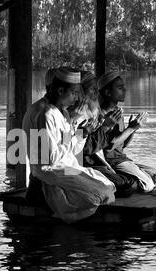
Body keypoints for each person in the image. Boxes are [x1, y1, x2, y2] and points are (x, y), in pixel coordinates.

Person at [22, 67, 116, 223]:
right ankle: (48, 198)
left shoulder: (62, 112)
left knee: (109, 186)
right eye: (73, 93)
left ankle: (62, 200)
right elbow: (53, 158)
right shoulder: (45, 113)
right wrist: (73, 125)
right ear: (60, 91)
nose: (76, 98)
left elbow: (72, 150)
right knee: (102, 195)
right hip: (51, 170)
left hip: (65, 165)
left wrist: (82, 133)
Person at [97, 71, 156, 192]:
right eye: (120, 87)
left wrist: (134, 129)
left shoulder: (118, 112)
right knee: (147, 185)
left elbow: (123, 145)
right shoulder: (101, 115)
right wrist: (131, 128)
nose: (125, 90)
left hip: (122, 158)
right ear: (107, 92)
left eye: (124, 86)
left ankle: (129, 179)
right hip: (111, 162)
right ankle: (123, 181)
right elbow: (109, 147)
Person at [80, 71, 138, 197]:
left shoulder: (89, 113)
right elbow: (82, 150)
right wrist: (105, 127)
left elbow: (84, 147)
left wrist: (131, 129)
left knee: (127, 184)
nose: (97, 93)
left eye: (96, 89)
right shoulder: (68, 116)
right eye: (93, 90)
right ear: (80, 92)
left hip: (91, 164)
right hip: (76, 167)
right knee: (124, 186)